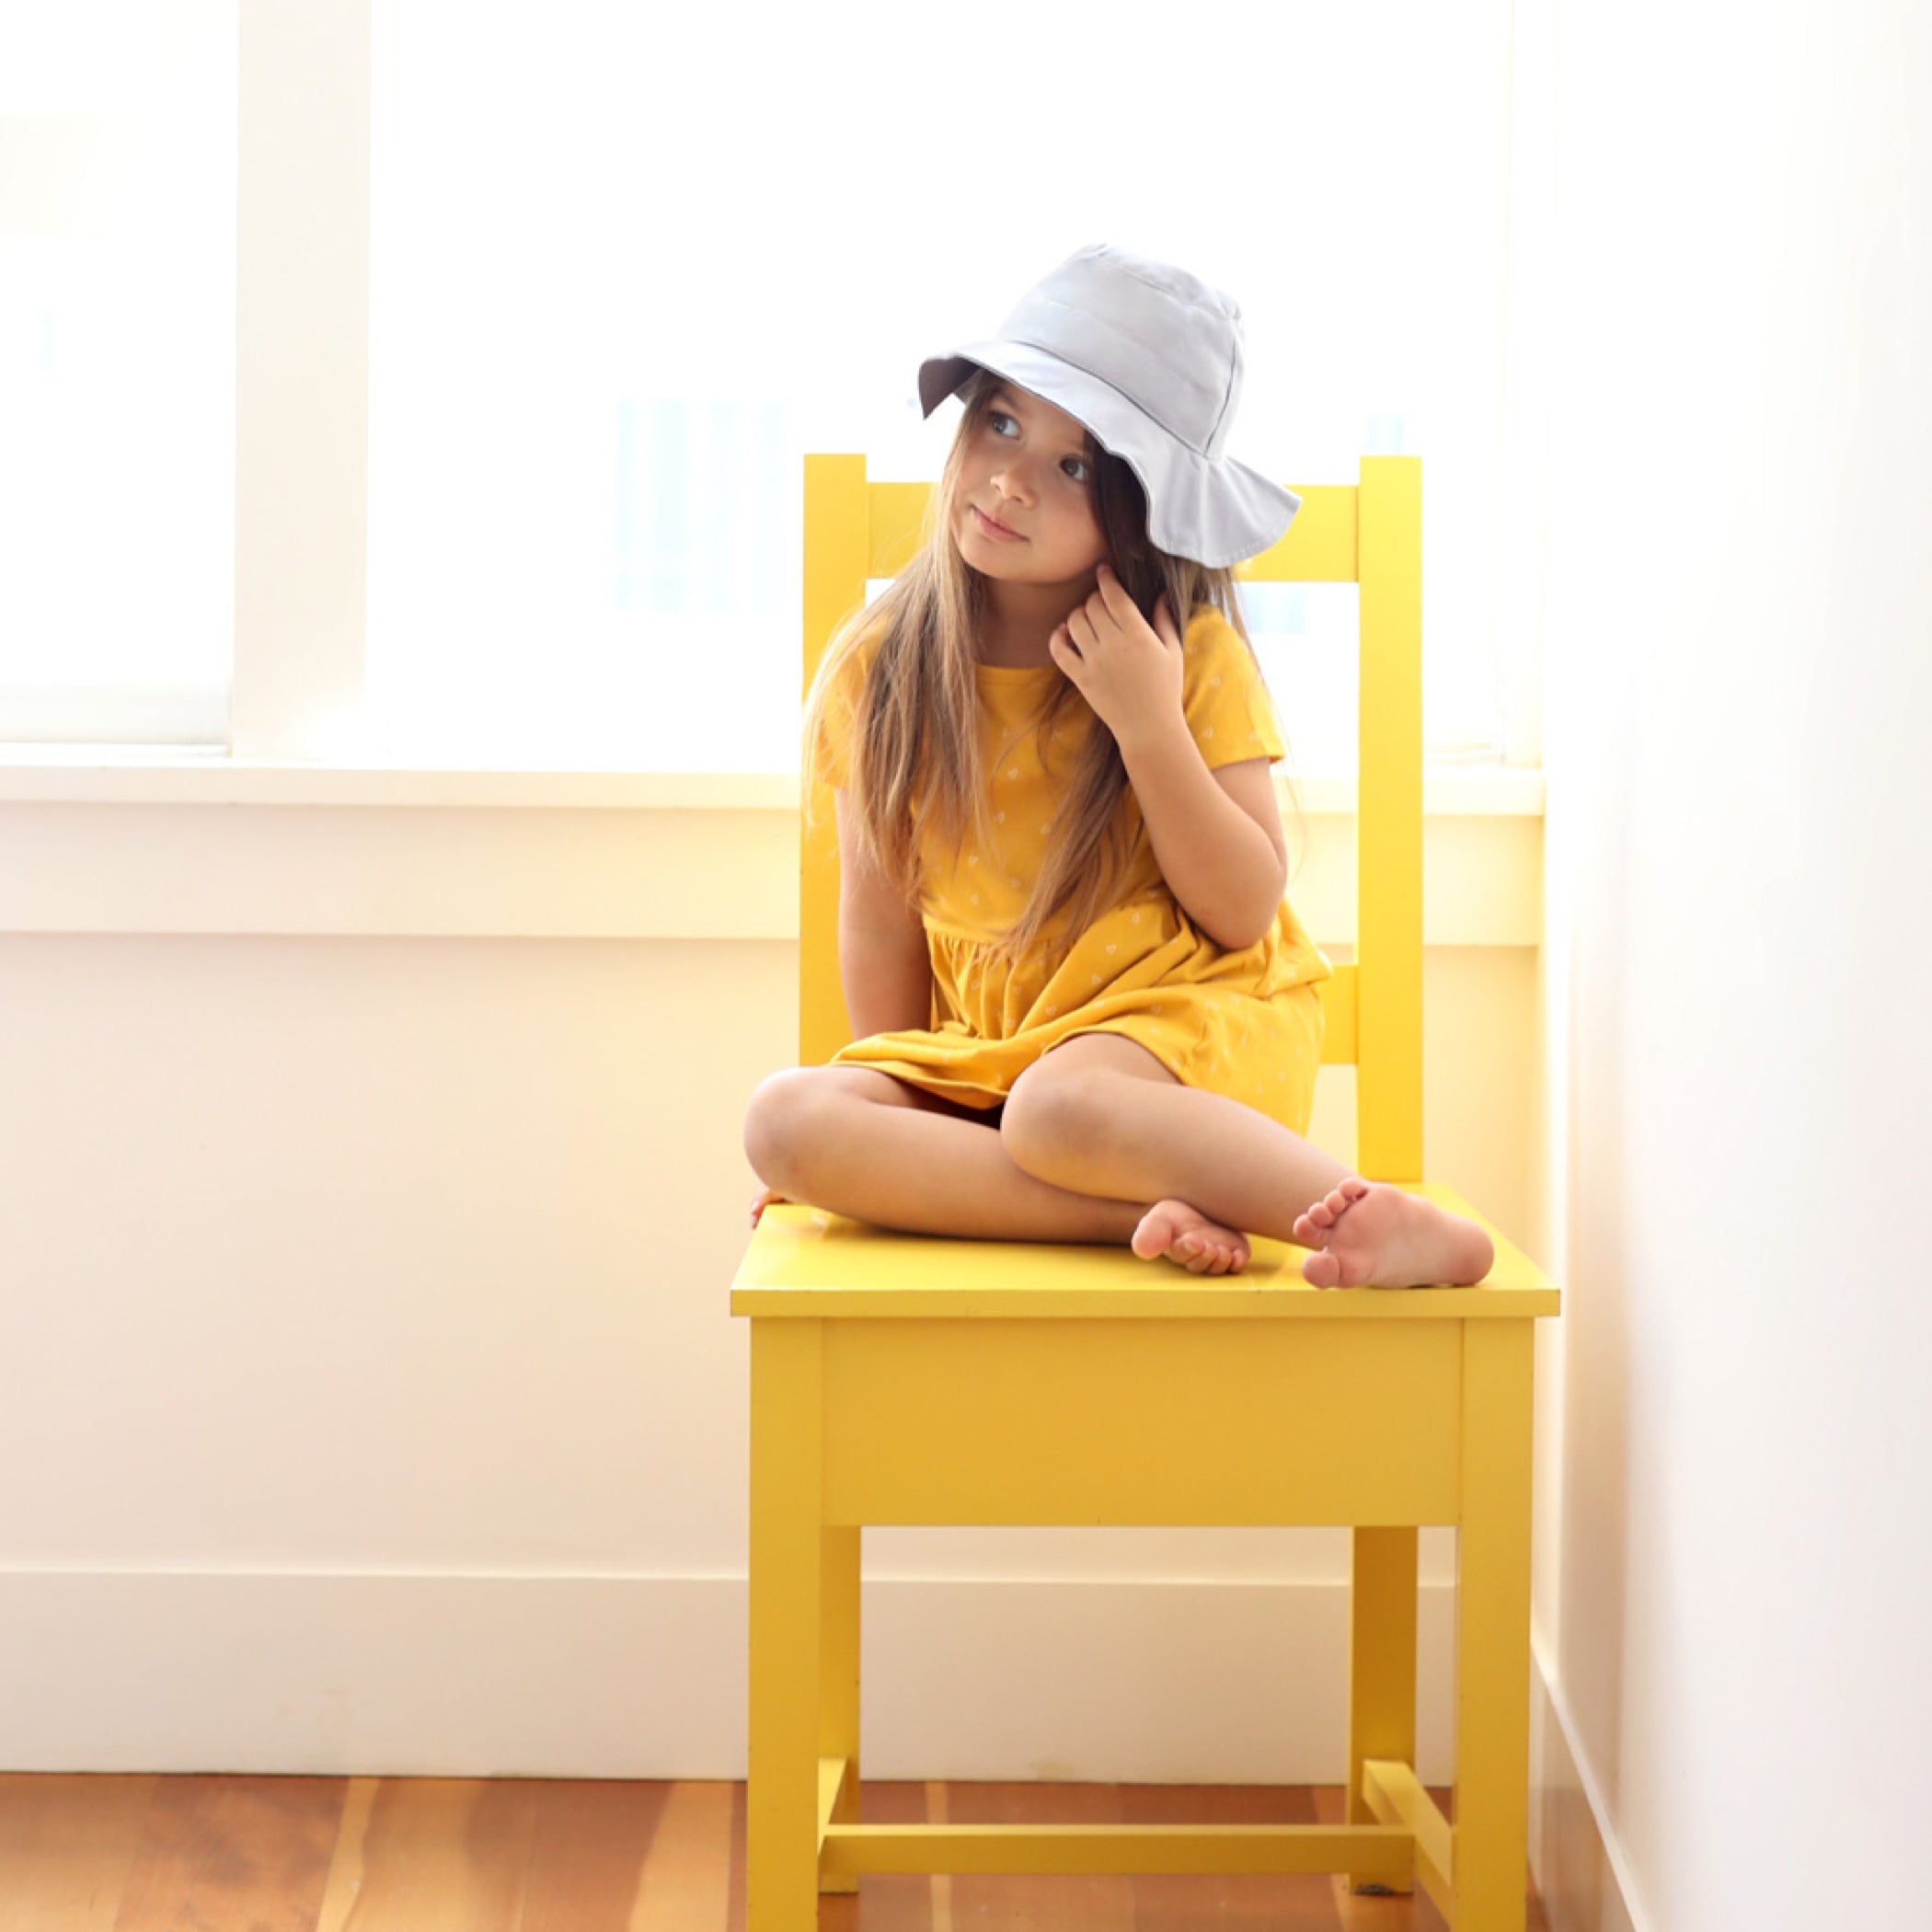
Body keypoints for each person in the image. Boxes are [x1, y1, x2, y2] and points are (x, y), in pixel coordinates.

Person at [742, 243, 1493, 1289]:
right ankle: (1122, 1218)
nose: (1011, 479)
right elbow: (878, 925)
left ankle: (1360, 1221)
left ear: (1149, 511)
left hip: (1181, 1047)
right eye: (1001, 422)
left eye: (1076, 465)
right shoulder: (886, 667)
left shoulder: (1189, 662)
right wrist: (895, 1117)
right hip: (1001, 1063)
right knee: (787, 1119)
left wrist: (1147, 725)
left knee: (1061, 1107)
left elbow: (1241, 910)